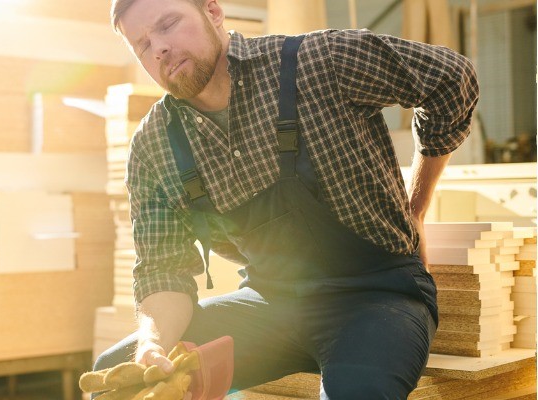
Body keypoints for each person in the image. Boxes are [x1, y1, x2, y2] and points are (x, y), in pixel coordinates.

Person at [95, 0, 479, 398]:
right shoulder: (154, 147)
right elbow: (162, 270)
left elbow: (451, 79)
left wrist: (415, 207)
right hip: (269, 304)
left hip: (378, 298)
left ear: (212, 11)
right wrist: (153, 345)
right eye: (142, 44)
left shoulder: (320, 61)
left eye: (168, 24)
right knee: (117, 382)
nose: (158, 48)